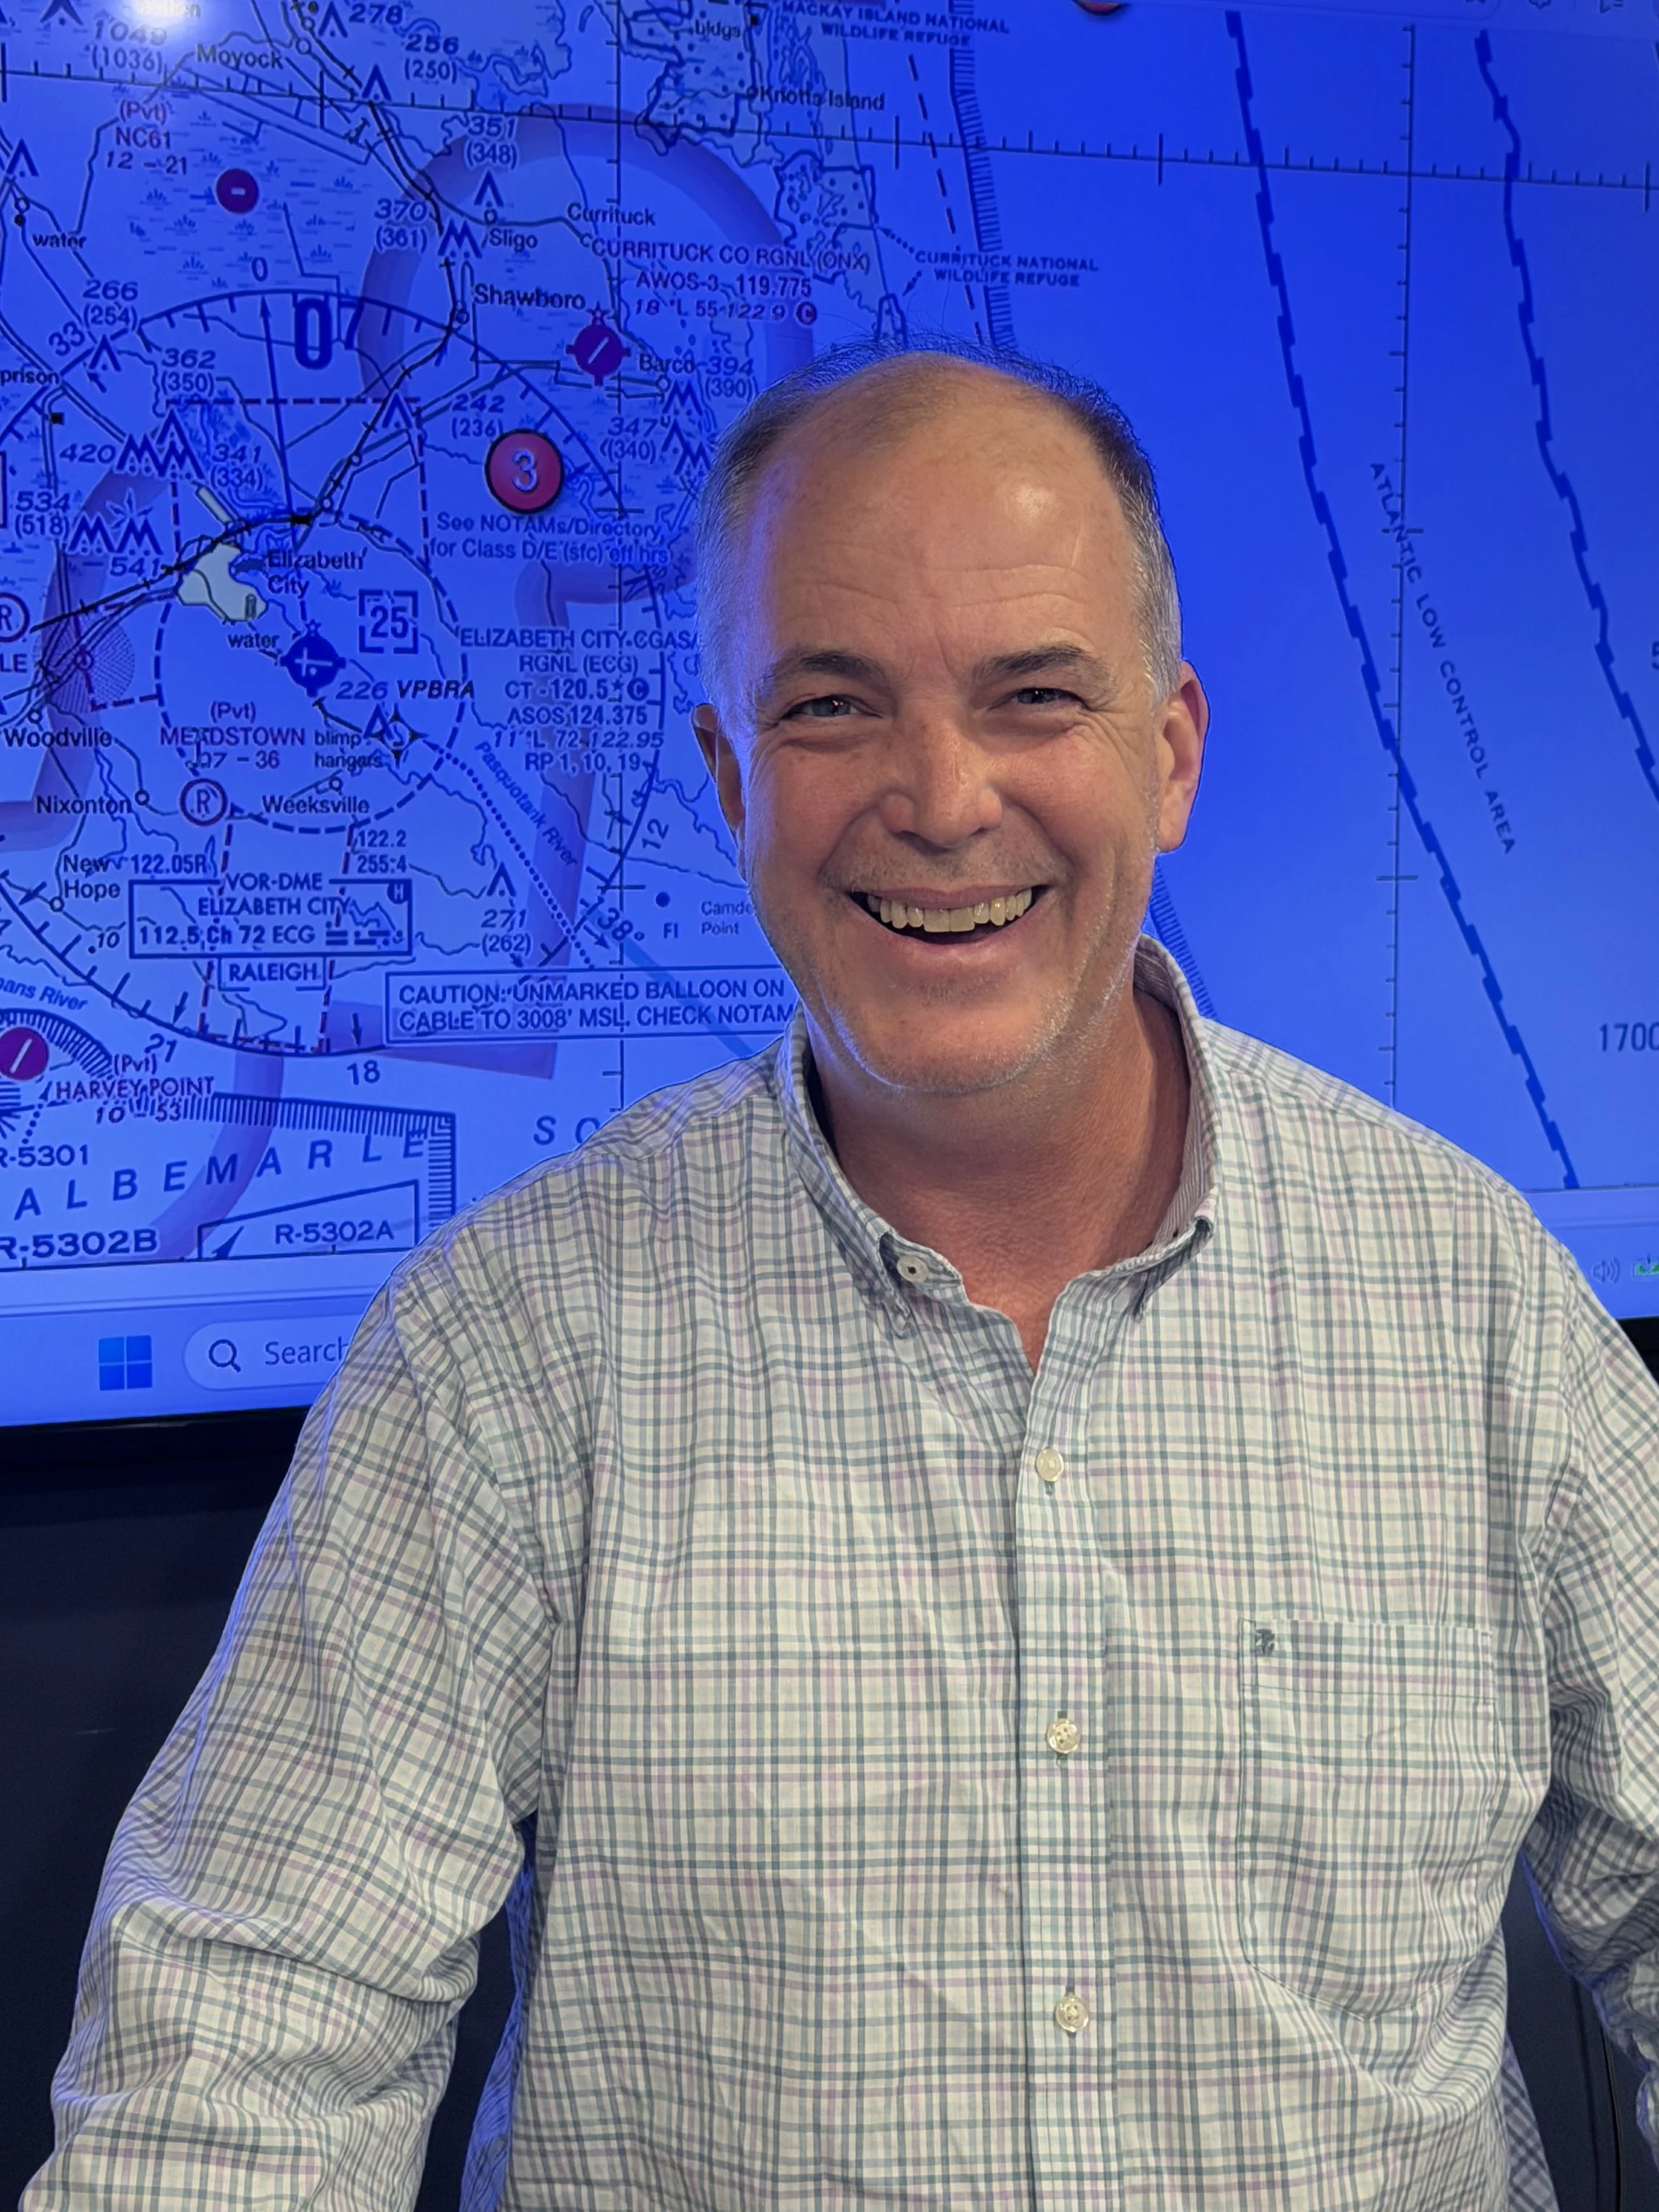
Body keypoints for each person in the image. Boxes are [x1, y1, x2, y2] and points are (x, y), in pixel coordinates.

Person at [25, 340, 1659, 2211]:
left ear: (1171, 750)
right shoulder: (501, 1353)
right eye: (831, 708)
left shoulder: (1469, 1301)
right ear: (728, 775)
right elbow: (248, 2043)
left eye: (1032, 693)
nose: (942, 797)